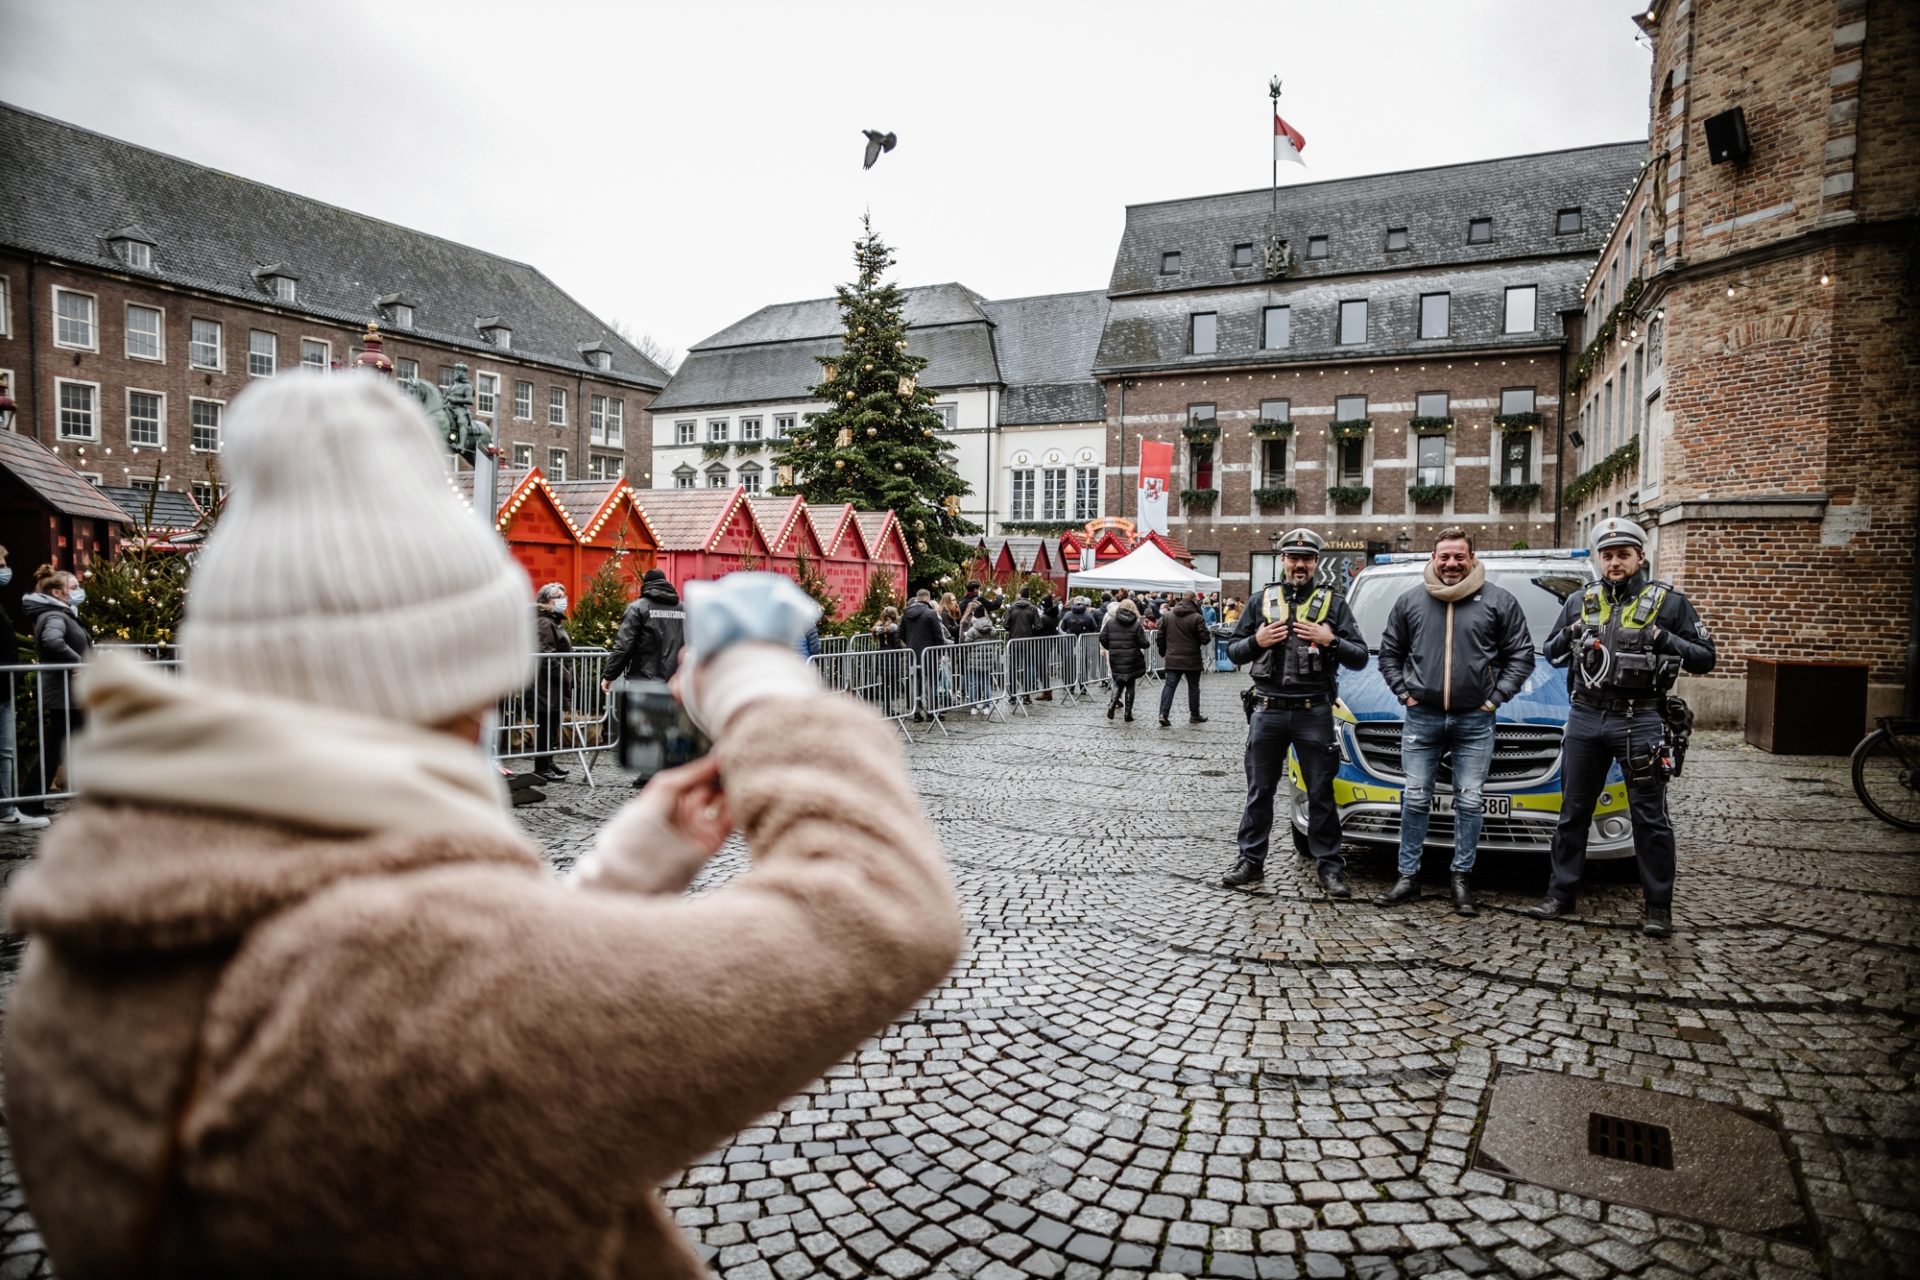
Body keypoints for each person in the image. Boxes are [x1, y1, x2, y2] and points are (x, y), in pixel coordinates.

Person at [0, 372, 964, 1278]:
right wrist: (760, 686)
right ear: (443, 689)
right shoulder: (428, 981)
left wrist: (614, 881)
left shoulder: (72, 961)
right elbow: (882, 910)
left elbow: (484, 1087)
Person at [1528, 517, 1716, 938]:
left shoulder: (1669, 603)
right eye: (1608, 556)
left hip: (1640, 719)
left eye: (1623, 555)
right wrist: (1573, 632)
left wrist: (1664, 639)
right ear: (1599, 559)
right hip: (1584, 716)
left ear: (1640, 557)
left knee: (1649, 817)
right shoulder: (1580, 600)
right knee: (1572, 812)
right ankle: (1560, 895)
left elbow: (1706, 657)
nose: (1614, 563)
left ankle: (1658, 907)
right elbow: (1552, 653)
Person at [1372, 528, 1534, 916]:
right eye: (1444, 556)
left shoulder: (1499, 601)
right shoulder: (1410, 601)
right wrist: (1403, 692)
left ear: (1472, 558)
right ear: (1433, 557)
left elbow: (1521, 655)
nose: (1451, 564)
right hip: (1422, 715)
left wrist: (1495, 699)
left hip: (1475, 719)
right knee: (1414, 798)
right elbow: (1389, 653)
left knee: (1471, 800)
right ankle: (1407, 876)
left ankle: (1461, 878)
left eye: (1459, 556)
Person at [1220, 528, 1367, 899]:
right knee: (1259, 791)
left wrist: (1330, 639)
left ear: (1316, 562)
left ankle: (1330, 867)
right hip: (1267, 709)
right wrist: (1256, 641)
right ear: (1282, 560)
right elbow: (1234, 651)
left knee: (1320, 792)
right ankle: (1250, 861)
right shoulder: (1259, 601)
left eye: (1306, 558)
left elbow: (1360, 656)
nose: (1299, 565)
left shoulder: (1334, 604)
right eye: (1292, 557)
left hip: (1313, 711)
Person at [22, 567, 92, 796]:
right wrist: (77, 661)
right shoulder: (54, 615)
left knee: (63, 744)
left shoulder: (61, 613)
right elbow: (52, 641)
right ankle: (31, 798)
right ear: (56, 593)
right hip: (65, 693)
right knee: (57, 747)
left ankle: (32, 797)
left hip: (69, 692)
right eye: (73, 588)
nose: (78, 591)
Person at [0, 545, 49, 830]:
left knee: (5, 750)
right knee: (4, 750)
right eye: (3, 562)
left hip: (5, 686)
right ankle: (6, 811)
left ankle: (7, 808)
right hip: (2, 686)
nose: (6, 567)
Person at [601, 567, 686, 690]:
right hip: (676, 684)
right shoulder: (683, 609)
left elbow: (624, 646)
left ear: (646, 585)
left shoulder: (638, 608)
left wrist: (609, 676)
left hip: (643, 683)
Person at [530, 581, 574, 783]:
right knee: (546, 725)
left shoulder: (552, 620)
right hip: (545, 684)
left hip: (553, 684)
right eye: (558, 596)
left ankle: (548, 762)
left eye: (563, 596)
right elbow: (547, 654)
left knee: (552, 723)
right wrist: (565, 675)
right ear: (546, 600)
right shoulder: (544, 622)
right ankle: (541, 766)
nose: (563, 600)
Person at [1155, 590, 1211, 727]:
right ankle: (1194, 715)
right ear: (1193, 600)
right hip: (1192, 658)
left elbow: (1160, 637)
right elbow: (1205, 639)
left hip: (1173, 657)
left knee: (1169, 686)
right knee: (1193, 687)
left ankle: (1163, 713)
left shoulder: (1168, 616)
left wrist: (1164, 652)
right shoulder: (1197, 617)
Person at [899, 588, 947, 721]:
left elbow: (901, 633)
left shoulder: (906, 614)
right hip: (929, 653)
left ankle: (916, 713)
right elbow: (938, 635)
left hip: (912, 653)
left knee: (915, 682)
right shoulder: (930, 613)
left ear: (917, 597)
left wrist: (910, 644)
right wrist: (940, 652)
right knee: (931, 683)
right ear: (928, 598)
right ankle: (931, 712)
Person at [1099, 596, 1149, 722]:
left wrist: (1110, 647)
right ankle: (1128, 713)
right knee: (1130, 685)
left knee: (1117, 681)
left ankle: (1112, 704)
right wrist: (1146, 644)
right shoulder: (1136, 624)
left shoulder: (1111, 622)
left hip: (1116, 656)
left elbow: (1102, 637)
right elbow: (1143, 642)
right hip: (1132, 658)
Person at [1003, 589, 1041, 705]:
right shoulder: (1033, 608)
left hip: (1014, 641)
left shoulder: (1012, 608)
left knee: (1013, 668)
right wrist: (1030, 632)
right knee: (1028, 668)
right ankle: (1026, 696)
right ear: (1028, 596)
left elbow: (1005, 625)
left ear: (1020, 595)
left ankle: (1013, 696)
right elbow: (1038, 626)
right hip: (1028, 641)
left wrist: (1012, 630)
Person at [1059, 595, 1100, 694]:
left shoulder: (1068, 614)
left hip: (1070, 643)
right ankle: (1083, 687)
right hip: (1083, 643)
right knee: (1083, 665)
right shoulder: (1088, 614)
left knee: (1071, 665)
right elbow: (1094, 628)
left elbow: (1063, 628)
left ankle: (1071, 687)